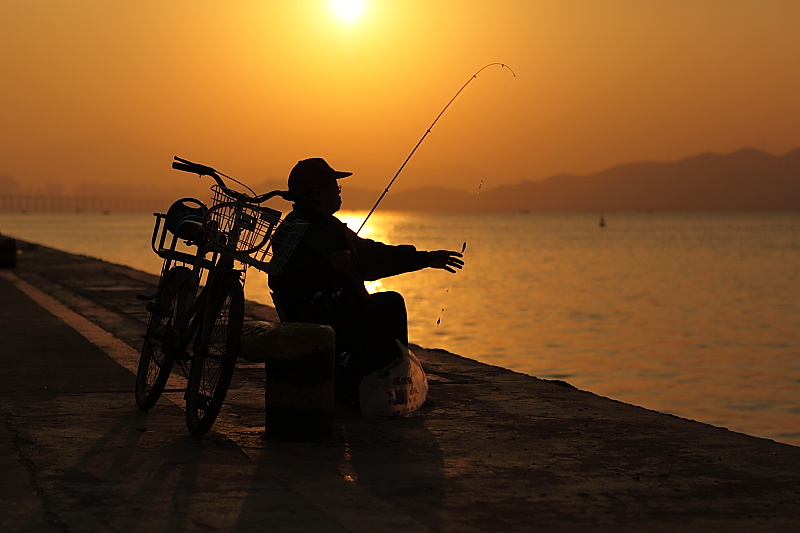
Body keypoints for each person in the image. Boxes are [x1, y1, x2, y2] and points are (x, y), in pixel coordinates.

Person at [268, 157, 464, 403]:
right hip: (318, 318)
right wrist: (328, 267)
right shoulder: (293, 230)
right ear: (318, 191)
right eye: (334, 187)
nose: (339, 193)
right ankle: (384, 387)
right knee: (388, 305)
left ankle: (383, 384)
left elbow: (375, 257)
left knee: (384, 304)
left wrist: (425, 259)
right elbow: (282, 281)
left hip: (339, 314)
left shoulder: (331, 227)